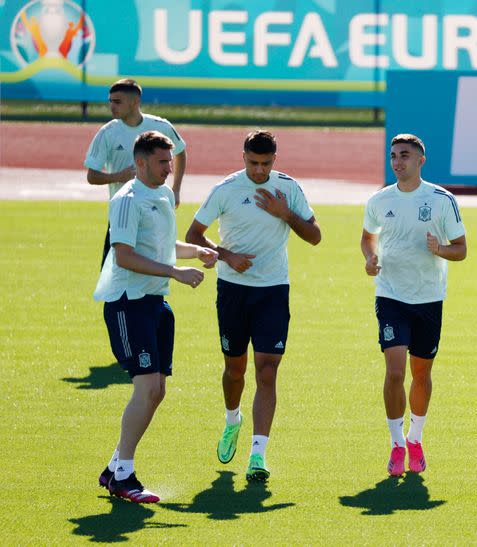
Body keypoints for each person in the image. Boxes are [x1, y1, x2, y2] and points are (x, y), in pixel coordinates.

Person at [185, 130, 321, 482]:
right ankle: (233, 420)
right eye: (252, 163)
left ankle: (258, 454)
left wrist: (285, 213)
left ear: (275, 160)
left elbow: (314, 235)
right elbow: (193, 235)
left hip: (273, 290)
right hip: (233, 291)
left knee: (267, 370)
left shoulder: (288, 189)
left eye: (265, 164)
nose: (259, 170)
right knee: (235, 370)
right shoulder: (226, 190)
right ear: (242, 156)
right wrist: (226, 255)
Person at [94, 131, 218, 503]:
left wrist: (195, 251)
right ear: (142, 162)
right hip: (128, 302)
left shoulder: (163, 195)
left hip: (155, 302)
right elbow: (124, 256)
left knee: (157, 390)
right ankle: (124, 476)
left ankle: (115, 466)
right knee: (147, 387)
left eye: (169, 161)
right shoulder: (127, 200)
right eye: (163, 162)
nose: (170, 168)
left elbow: (163, 246)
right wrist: (176, 272)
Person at [360, 133, 467, 476]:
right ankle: (396, 445)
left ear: (421, 160)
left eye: (404, 155)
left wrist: (440, 249)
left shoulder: (441, 200)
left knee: (421, 373)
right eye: (393, 155)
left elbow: (461, 249)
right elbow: (367, 237)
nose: (397, 161)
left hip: (428, 298)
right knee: (394, 371)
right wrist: (370, 258)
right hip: (390, 294)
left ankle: (415, 438)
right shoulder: (380, 200)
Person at [85, 78, 187, 266]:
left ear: (134, 102)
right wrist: (118, 176)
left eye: (117, 102)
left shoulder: (161, 126)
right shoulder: (107, 132)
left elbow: (180, 151)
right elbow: (92, 176)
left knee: (156, 266)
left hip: (155, 211)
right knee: (113, 273)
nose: (111, 106)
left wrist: (177, 189)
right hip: (122, 214)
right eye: (110, 101)